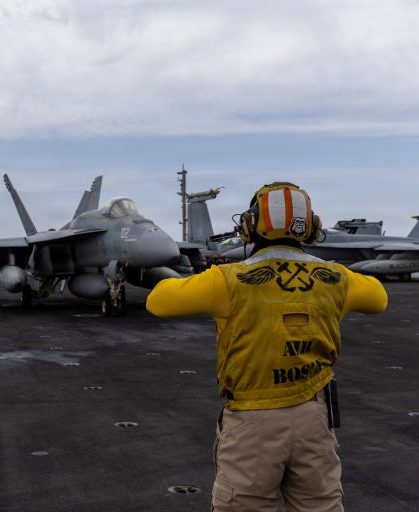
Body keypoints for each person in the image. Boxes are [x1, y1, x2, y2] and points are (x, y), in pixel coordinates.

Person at [146, 182, 387, 511]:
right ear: (312, 227)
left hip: (252, 420)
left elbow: (158, 302)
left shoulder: (227, 280)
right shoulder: (337, 278)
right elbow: (378, 298)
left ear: (248, 227)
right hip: (315, 417)